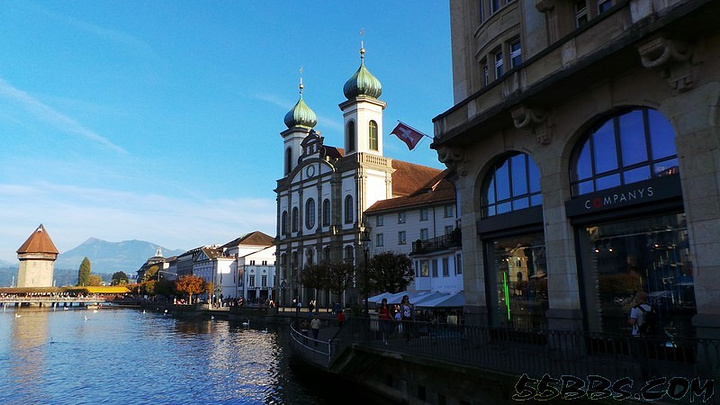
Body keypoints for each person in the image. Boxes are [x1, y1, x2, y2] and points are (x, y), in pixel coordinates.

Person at [628, 291, 651, 379]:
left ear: (639, 298)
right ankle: (647, 372)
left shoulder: (635, 309)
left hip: (637, 334)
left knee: (638, 355)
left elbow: (632, 321)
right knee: (646, 354)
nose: (635, 298)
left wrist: (628, 319)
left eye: (636, 297)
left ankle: (641, 373)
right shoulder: (650, 308)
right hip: (648, 334)